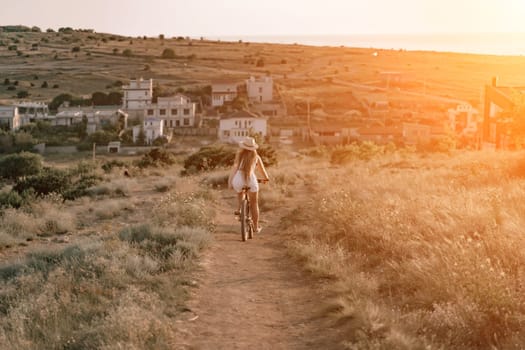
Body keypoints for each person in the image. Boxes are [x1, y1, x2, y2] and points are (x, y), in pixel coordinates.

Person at [228, 136, 270, 233]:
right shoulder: (256, 157)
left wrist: (230, 182)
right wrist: (266, 178)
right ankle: (255, 227)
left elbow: (234, 169)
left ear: (243, 146)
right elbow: (262, 170)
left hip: (238, 179)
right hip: (251, 179)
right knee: (254, 204)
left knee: (240, 193)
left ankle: (239, 209)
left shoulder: (239, 156)